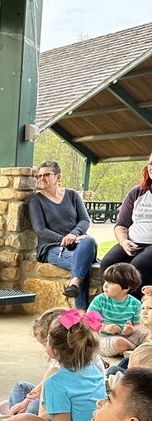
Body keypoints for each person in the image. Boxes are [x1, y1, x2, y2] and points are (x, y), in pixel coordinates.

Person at [7, 311, 113, 421]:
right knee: (24, 405)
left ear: (53, 350)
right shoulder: (93, 369)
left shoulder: (55, 383)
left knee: (26, 420)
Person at [0, 307, 104, 418]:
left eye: (46, 343)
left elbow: (52, 413)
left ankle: (18, 416)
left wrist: (34, 408)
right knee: (21, 387)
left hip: (65, 407)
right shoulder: (67, 357)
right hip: (60, 398)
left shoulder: (82, 363)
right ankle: (17, 411)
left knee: (34, 406)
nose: (46, 348)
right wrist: (25, 402)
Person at [27, 161, 98, 309]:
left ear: (58, 177)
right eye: (39, 175)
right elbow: (40, 230)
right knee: (82, 263)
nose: (41, 178)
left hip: (78, 243)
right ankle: (81, 310)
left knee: (89, 241)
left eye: (46, 175)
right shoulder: (36, 200)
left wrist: (74, 235)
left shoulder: (72, 195)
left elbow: (85, 220)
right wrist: (64, 239)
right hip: (52, 248)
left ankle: (75, 284)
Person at [99, 151, 152, 286]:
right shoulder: (137, 192)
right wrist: (124, 241)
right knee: (108, 264)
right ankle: (109, 299)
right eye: (151, 163)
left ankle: (133, 300)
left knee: (138, 266)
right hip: (132, 242)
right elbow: (121, 225)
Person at [86, 261, 147, 357]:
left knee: (146, 333)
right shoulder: (100, 300)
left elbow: (139, 325)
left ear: (126, 287)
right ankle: (135, 350)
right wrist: (105, 327)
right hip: (103, 339)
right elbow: (89, 322)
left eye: (111, 283)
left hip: (128, 337)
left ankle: (129, 350)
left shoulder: (136, 304)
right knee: (118, 342)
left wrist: (132, 330)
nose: (105, 285)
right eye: (105, 281)